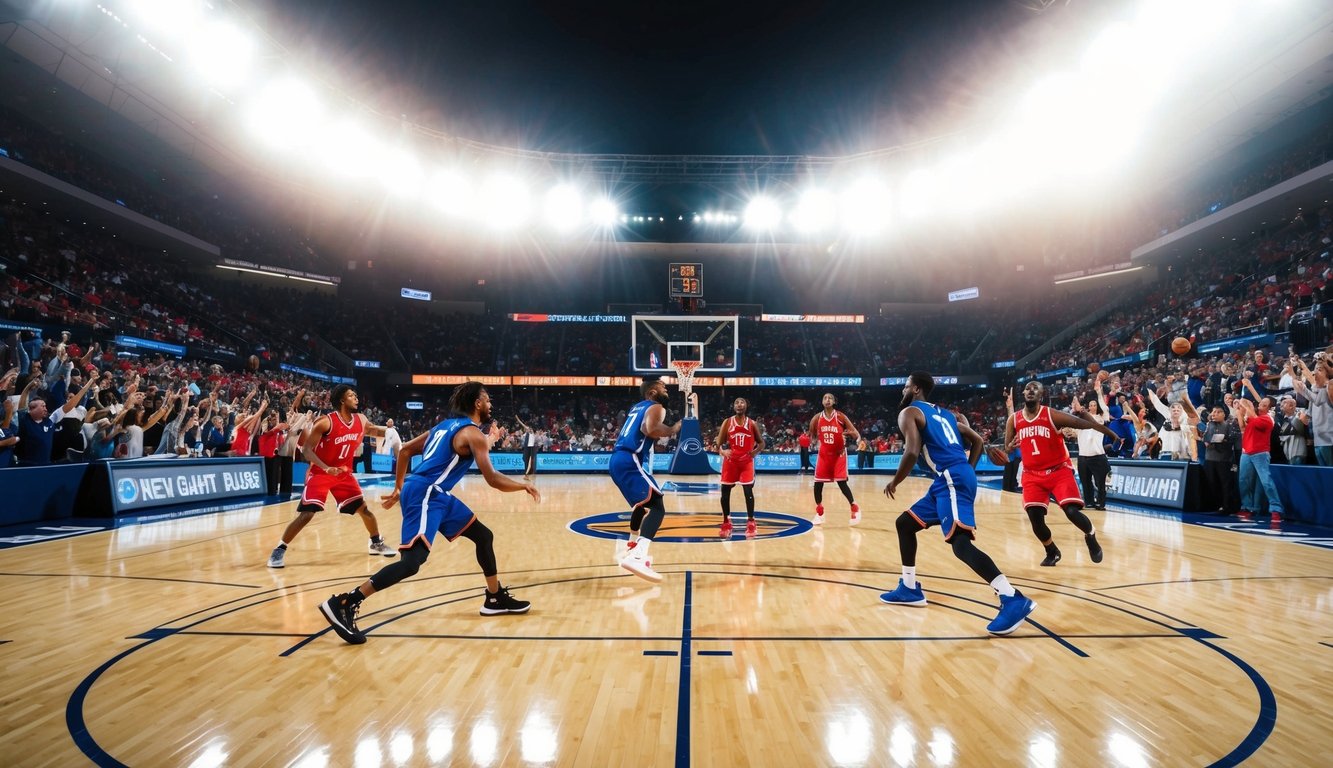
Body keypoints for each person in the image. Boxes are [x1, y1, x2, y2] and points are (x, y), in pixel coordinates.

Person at [318, 381, 540, 644]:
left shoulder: (445, 426)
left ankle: (494, 597)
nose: (491, 404)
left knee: (483, 536)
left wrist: (400, 487)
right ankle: (345, 601)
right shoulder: (472, 433)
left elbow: (407, 450)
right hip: (427, 492)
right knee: (412, 562)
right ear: (477, 403)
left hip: (435, 493)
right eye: (488, 399)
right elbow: (491, 478)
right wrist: (523, 485)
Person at [878, 372, 1036, 636]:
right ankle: (908, 588)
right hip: (949, 479)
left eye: (905, 386)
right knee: (905, 524)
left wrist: (895, 481)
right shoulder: (947, 415)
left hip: (951, 477)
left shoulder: (909, 412)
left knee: (960, 545)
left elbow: (912, 451)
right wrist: (969, 470)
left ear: (916, 389)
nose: (902, 391)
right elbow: (977, 440)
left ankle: (1012, 598)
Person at [267, 384, 398, 567]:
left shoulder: (360, 419)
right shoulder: (326, 422)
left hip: (343, 474)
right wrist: (325, 467)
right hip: (320, 473)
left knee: (364, 510)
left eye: (356, 395)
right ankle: (279, 550)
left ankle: (376, 542)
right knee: (306, 514)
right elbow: (306, 450)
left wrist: (390, 430)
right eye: (352, 395)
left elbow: (374, 430)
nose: (356, 398)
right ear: (342, 400)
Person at [1004, 380, 1122, 567]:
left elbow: (1083, 424)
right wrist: (1009, 447)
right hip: (1032, 475)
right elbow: (1007, 447)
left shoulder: (1052, 415)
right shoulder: (1014, 419)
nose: (1030, 391)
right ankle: (1052, 551)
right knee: (1035, 519)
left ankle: (1090, 535)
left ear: (1041, 395)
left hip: (1058, 471)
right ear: (1023, 393)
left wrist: (1109, 432)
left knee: (1071, 511)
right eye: (1027, 388)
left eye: (1035, 389)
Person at [610, 376, 689, 583]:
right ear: (653, 392)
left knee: (641, 505)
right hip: (630, 458)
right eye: (663, 387)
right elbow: (650, 429)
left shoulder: (637, 407)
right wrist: (673, 429)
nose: (667, 391)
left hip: (618, 460)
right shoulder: (655, 406)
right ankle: (637, 556)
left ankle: (631, 545)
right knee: (657, 506)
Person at [1235, 375, 1283, 524]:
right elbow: (1243, 426)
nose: (1260, 404)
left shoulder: (1268, 419)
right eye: (1260, 403)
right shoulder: (1253, 416)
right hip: (1246, 452)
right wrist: (1239, 412)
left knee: (1266, 482)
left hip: (1261, 453)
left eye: (1263, 404)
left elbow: (1254, 418)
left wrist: (1246, 405)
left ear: (1269, 408)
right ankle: (1247, 507)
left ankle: (1276, 509)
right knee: (1243, 481)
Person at [808, 393, 861, 525]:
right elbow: (812, 436)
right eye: (825, 398)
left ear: (834, 401)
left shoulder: (841, 416)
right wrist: (812, 441)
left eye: (830, 398)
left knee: (842, 483)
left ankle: (855, 508)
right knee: (818, 484)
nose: (827, 400)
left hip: (839, 454)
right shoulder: (816, 418)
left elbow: (855, 433)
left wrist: (851, 437)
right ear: (822, 401)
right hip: (824, 454)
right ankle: (820, 514)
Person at [716, 397, 764, 538]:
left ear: (746, 406)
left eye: (742, 402)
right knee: (725, 492)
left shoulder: (752, 424)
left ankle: (751, 522)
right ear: (733, 406)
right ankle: (726, 522)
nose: (739, 404)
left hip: (746, 462)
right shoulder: (727, 422)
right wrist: (723, 451)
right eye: (736, 402)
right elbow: (718, 443)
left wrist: (754, 453)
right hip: (730, 462)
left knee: (748, 491)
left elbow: (761, 443)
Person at [1070, 380, 1111, 510]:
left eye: (1094, 404)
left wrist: (1099, 393)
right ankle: (1088, 502)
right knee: (1085, 482)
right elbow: (1074, 433)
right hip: (1083, 457)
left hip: (1097, 456)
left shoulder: (1100, 418)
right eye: (1090, 405)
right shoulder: (1080, 421)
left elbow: (1105, 408)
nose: (1093, 406)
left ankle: (1100, 503)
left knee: (1100, 482)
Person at [1198, 406, 1241, 515]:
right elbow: (1206, 441)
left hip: (1224, 460)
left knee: (1225, 484)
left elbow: (1232, 441)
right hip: (1210, 459)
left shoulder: (1229, 426)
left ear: (1224, 414)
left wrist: (1221, 441)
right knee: (1211, 483)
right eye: (1213, 412)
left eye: (1218, 412)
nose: (1214, 414)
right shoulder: (1209, 425)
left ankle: (1226, 506)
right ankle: (1212, 505)